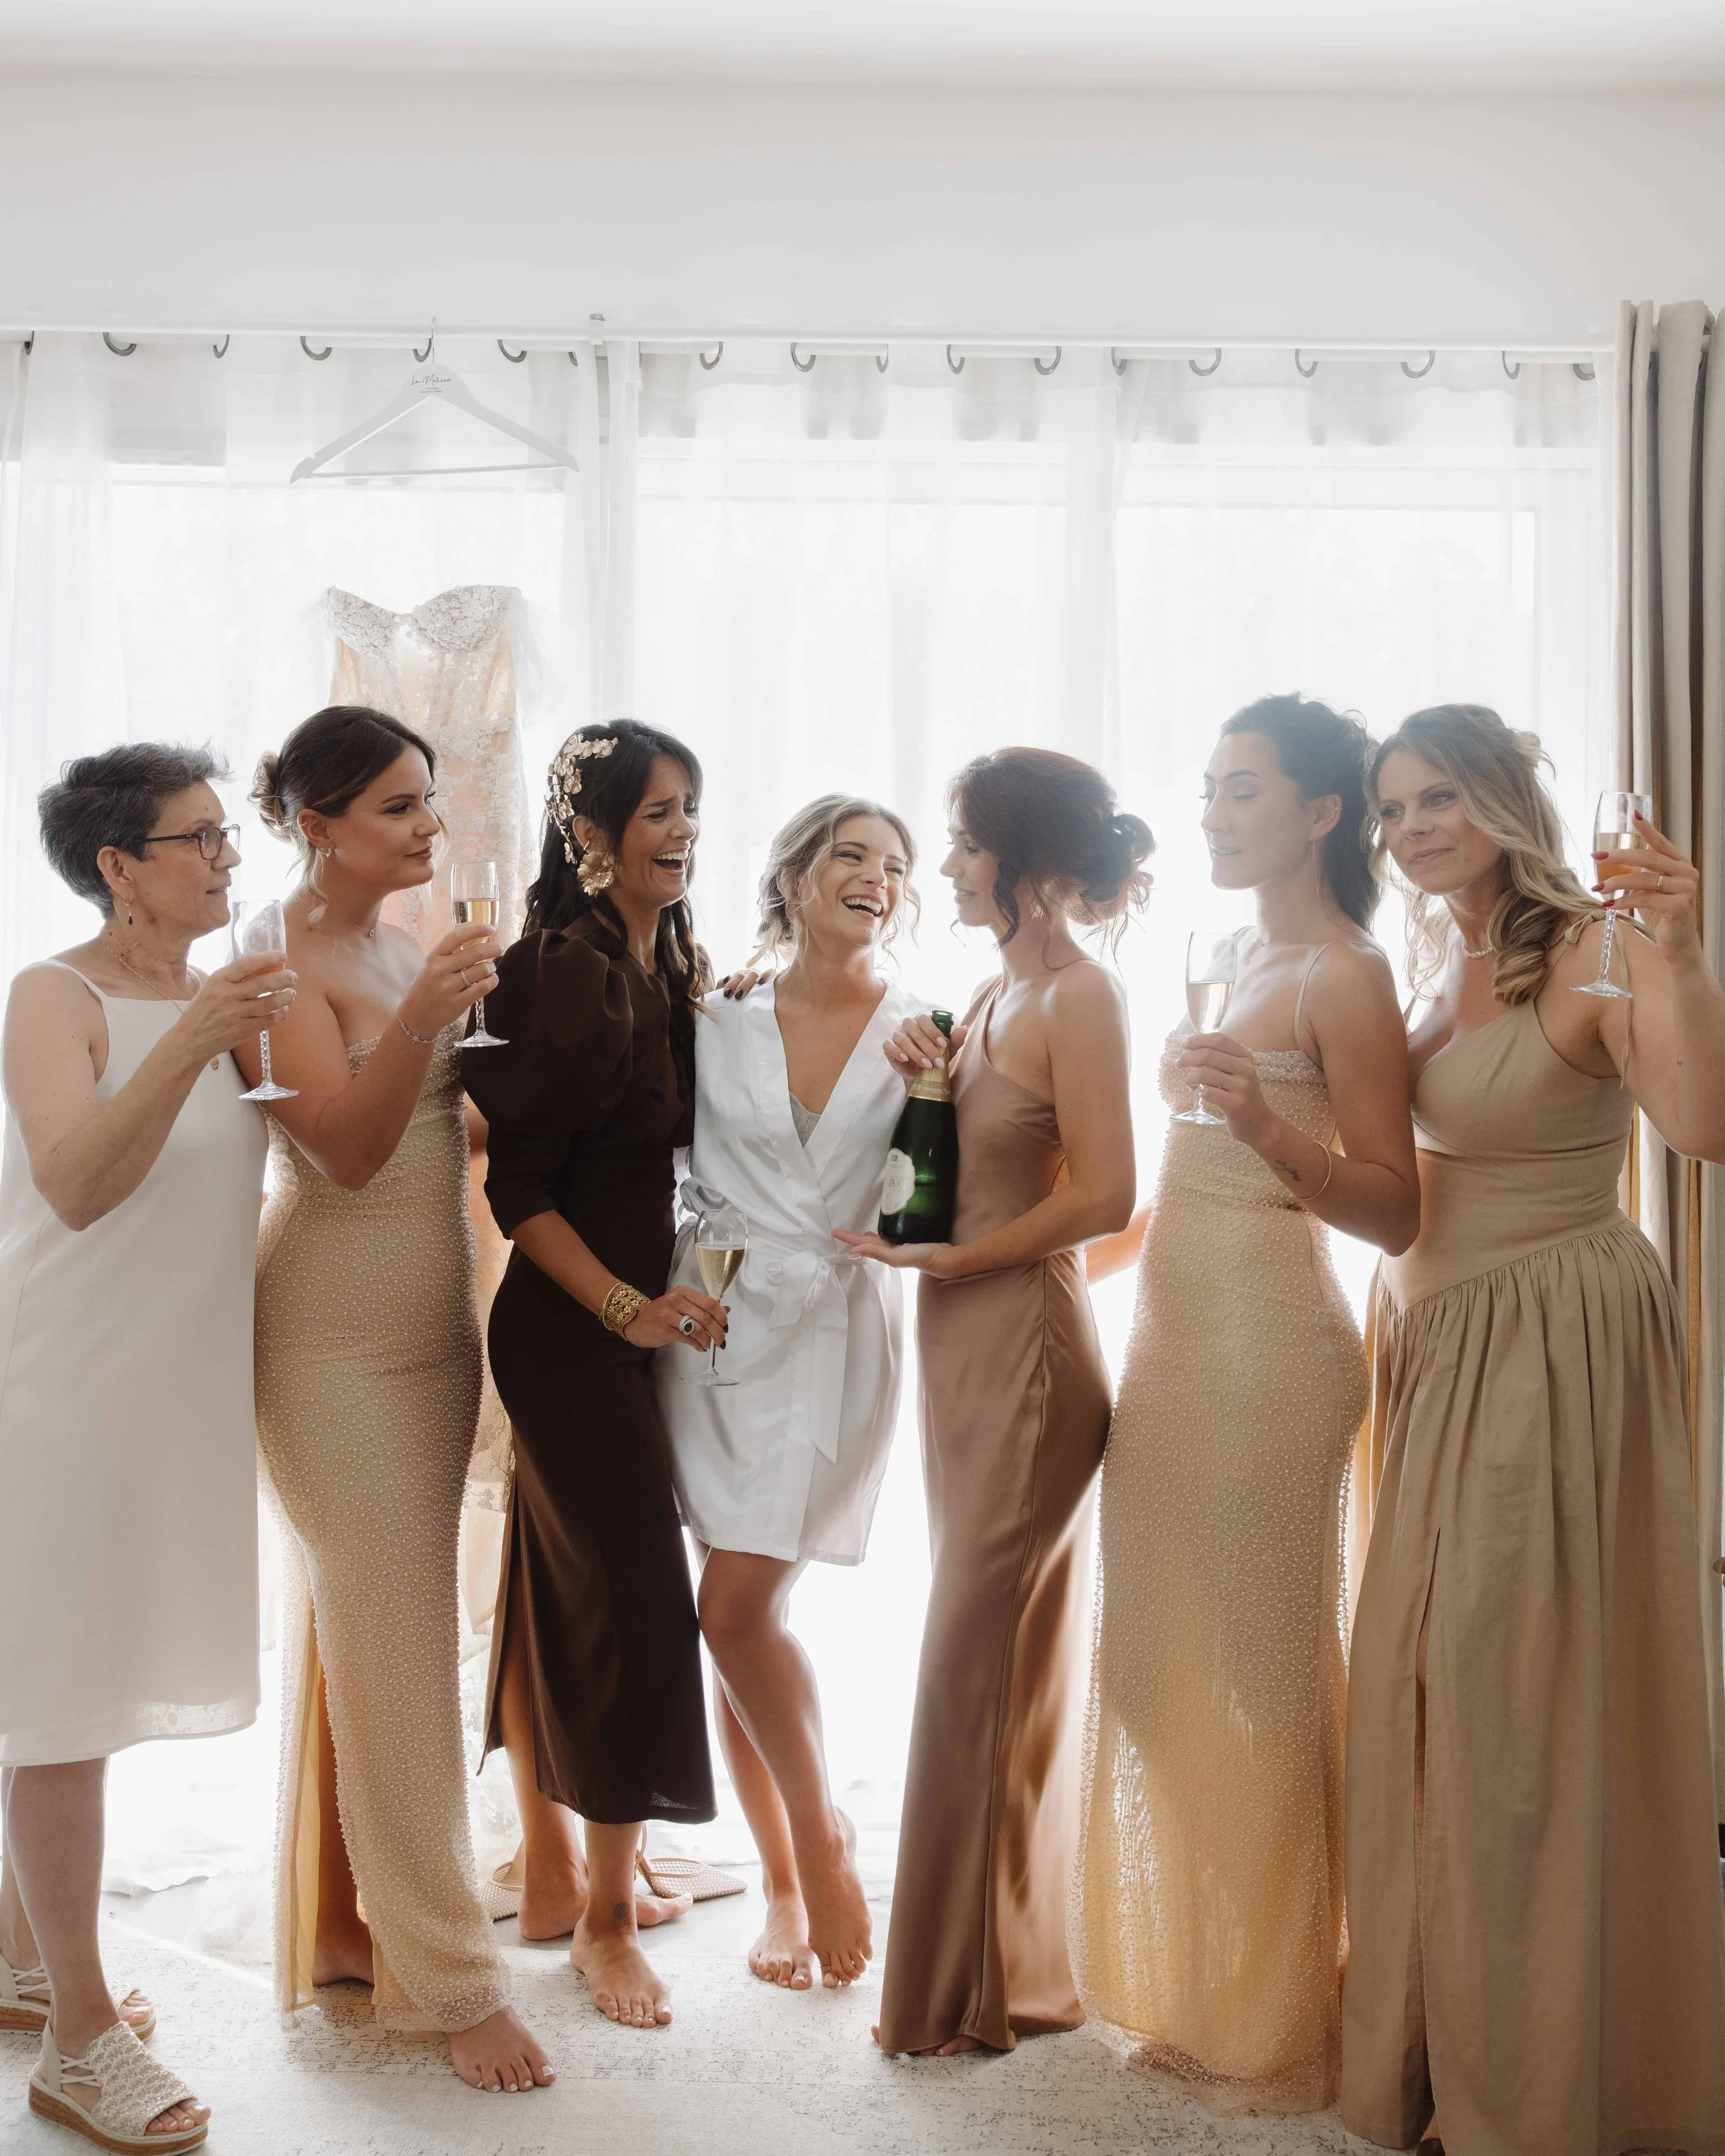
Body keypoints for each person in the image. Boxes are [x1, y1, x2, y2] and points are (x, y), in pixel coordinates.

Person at [1343, 703, 1725, 2155]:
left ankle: (1526, 2086)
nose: (1411, 829)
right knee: (1424, 1685)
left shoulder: (1602, 945)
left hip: (1550, 1340)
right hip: (1434, 1340)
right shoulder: (1432, 959)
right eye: (1391, 808)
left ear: (1504, 798)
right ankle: (1443, 2048)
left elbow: (1699, 1126)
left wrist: (1682, 950)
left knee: (1511, 1703)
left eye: (1438, 797)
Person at [1073, 694, 1419, 2112]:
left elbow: (1394, 1208)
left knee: (1260, 1685)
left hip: (1272, 1354)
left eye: (1243, 790)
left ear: (1321, 813)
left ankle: (1277, 2024)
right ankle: (1212, 1979)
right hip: (1170, 1350)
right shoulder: (1224, 954)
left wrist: (1268, 1122)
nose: (1211, 812)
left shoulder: (1347, 974)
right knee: (1151, 1674)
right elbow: (1179, 1183)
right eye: (1208, 786)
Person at [244, 706, 551, 2095]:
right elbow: (349, 1152)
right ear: (317, 824)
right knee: (401, 1658)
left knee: (400, 1642)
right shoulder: (273, 959)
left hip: (435, 1329)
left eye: (430, 801)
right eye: (398, 807)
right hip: (330, 1344)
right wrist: (429, 1016)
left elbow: (445, 1130)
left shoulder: (396, 940)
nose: (432, 827)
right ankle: (452, 1983)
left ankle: (370, 1931)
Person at [0, 745, 292, 2150]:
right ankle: (78, 2038)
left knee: (76, 1681)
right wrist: (192, 1037)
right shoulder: (52, 997)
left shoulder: (226, 997)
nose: (228, 857)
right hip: (64, 1394)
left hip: (177, 1396)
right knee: (65, 1705)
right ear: (119, 865)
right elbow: (74, 1185)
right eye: (199, 838)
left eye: (229, 833)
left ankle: (16, 1956)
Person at [838, 746, 1150, 2056]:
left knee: (970, 1655)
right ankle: (998, 1972)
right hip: (958, 1340)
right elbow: (953, 1169)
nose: (949, 866)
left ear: (1028, 862)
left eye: (967, 845)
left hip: (1022, 1345)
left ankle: (959, 1988)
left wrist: (965, 1263)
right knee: (991, 1656)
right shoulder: (984, 992)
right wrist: (922, 1067)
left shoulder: (1082, 994)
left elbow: (1109, 1195)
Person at [464, 720, 726, 2034]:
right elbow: (516, 1189)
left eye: (692, 809)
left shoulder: (663, 958)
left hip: (634, 1328)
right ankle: (603, 1925)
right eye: (658, 812)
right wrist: (629, 1310)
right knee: (636, 1608)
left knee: (566, 1593)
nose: (683, 832)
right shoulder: (559, 970)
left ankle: (561, 1875)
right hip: (571, 1335)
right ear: (592, 833)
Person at [660, 796, 920, 1993]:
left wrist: (942, 1094)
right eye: (851, 855)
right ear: (794, 876)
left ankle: (820, 1846)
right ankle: (779, 1881)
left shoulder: (927, 1033)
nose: (877, 877)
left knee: (735, 1611)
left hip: (833, 1335)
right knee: (732, 1616)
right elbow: (669, 1165)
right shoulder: (715, 1020)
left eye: (896, 866)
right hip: (710, 1329)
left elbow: (942, 1197)